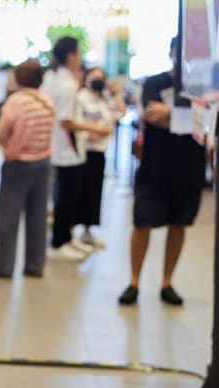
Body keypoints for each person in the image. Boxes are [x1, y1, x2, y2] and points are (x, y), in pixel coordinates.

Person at [118, 38, 205, 306]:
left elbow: (205, 122)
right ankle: (134, 281)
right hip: (154, 166)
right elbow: (152, 115)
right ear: (171, 53)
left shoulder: (203, 86)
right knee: (142, 222)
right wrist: (189, 116)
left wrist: (171, 113)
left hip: (189, 167)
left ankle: (167, 283)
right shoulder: (154, 83)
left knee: (179, 223)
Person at [39, 37, 111, 261]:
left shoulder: (53, 79)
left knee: (66, 196)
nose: (80, 59)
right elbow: (66, 120)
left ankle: (67, 238)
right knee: (66, 197)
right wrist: (95, 127)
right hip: (67, 149)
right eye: (79, 53)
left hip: (61, 147)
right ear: (70, 56)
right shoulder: (67, 85)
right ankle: (60, 241)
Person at [0, 60, 55, 279]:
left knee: (7, 217)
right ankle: (35, 264)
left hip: (18, 163)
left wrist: (3, 141)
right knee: (37, 216)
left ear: (18, 78)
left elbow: (1, 132)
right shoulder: (46, 100)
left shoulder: (16, 101)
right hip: (43, 162)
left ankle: (4, 266)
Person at [75, 67, 119, 249]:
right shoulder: (79, 97)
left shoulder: (104, 99)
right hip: (81, 152)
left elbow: (119, 113)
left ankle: (87, 231)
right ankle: (69, 233)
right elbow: (74, 122)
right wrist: (92, 130)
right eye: (94, 77)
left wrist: (114, 94)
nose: (96, 81)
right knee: (77, 192)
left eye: (100, 78)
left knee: (93, 193)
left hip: (98, 152)